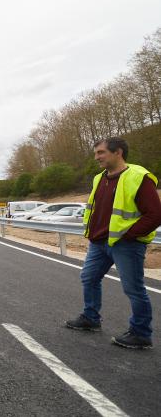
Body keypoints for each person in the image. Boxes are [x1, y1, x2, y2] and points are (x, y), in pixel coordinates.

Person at [66, 137, 161, 349]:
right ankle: (91, 318)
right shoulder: (99, 178)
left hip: (126, 244)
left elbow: (155, 215)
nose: (96, 157)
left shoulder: (138, 177)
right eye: (96, 153)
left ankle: (141, 333)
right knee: (89, 278)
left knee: (133, 289)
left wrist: (129, 235)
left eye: (101, 153)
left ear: (118, 152)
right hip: (99, 242)